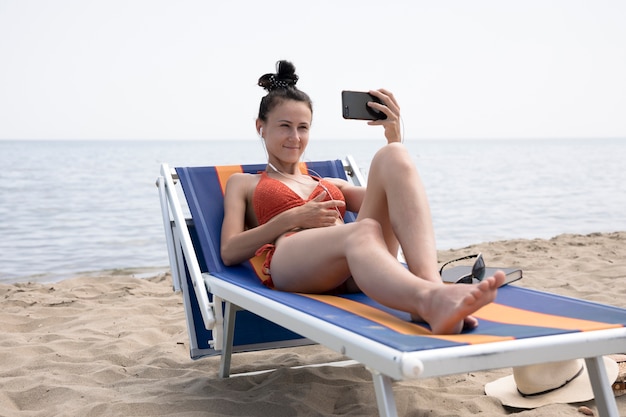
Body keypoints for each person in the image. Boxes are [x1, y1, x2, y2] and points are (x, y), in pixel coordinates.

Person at [220, 60, 505, 335]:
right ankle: (430, 300)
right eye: (285, 126)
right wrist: (291, 218)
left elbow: (399, 202)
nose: (295, 137)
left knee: (393, 156)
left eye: (303, 127)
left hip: (354, 267)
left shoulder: (329, 183)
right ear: (261, 127)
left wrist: (394, 137)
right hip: (292, 263)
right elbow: (229, 251)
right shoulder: (245, 183)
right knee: (363, 229)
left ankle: (430, 285)